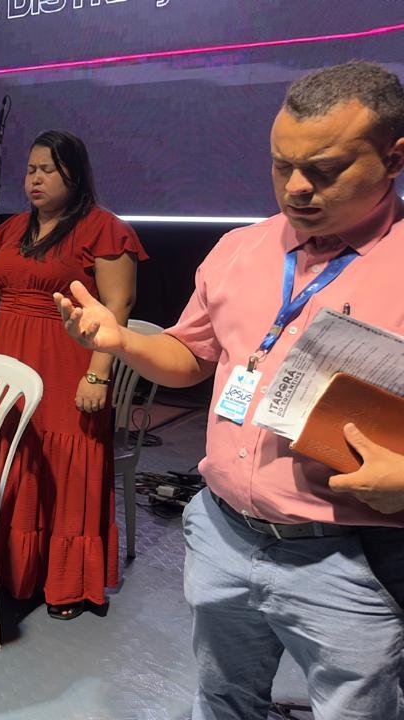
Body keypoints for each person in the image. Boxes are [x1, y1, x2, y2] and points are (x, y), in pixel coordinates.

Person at [55, 61, 404, 719]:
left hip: (350, 556)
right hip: (224, 533)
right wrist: (121, 340)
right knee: (222, 699)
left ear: (393, 159)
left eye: (324, 169)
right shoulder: (240, 249)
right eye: (281, 165)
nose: (296, 188)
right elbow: (190, 356)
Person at [0, 130, 146, 620]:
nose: (35, 179)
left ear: (75, 173)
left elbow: (118, 306)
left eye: (48, 169)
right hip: (10, 363)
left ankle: (66, 582)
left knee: (65, 463)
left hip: (66, 362)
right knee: (14, 459)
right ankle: (13, 569)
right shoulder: (16, 228)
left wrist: (98, 374)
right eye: (31, 169)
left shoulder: (103, 228)